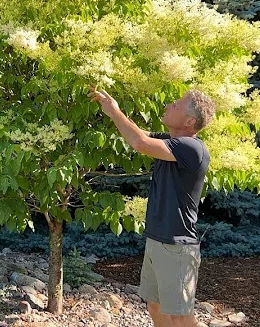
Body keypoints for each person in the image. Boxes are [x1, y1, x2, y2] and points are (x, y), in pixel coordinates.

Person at [89, 87, 215, 327]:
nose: (169, 105)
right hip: (158, 240)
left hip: (177, 246)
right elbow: (140, 133)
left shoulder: (192, 148)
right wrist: (112, 111)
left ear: (190, 121)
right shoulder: (173, 141)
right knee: (154, 305)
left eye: (176, 105)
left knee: (180, 316)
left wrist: (115, 112)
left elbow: (140, 142)